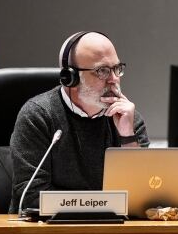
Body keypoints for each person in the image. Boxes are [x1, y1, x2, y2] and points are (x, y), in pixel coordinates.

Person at [9, 31, 150, 213]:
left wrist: (127, 138)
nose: (114, 79)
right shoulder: (39, 115)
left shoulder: (128, 119)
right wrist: (104, 206)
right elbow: (30, 197)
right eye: (102, 71)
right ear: (70, 78)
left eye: (117, 68)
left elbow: (144, 196)